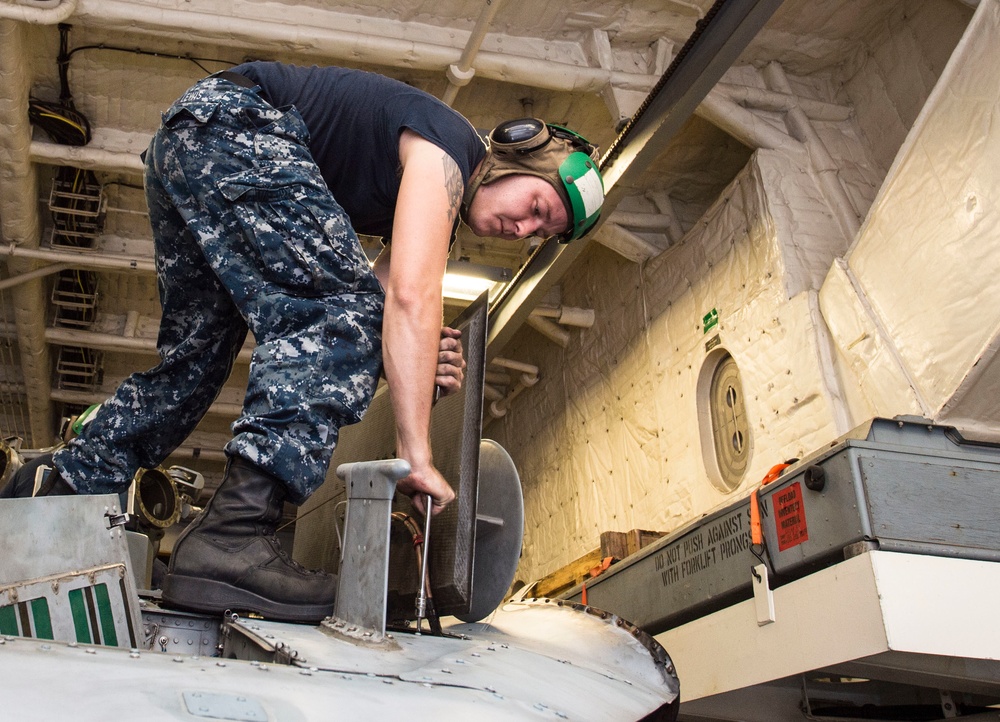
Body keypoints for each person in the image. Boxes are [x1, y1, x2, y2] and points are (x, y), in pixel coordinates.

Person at [36, 62, 606, 622]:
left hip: (194, 138)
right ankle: (234, 534)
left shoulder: (440, 176)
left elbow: (376, 315)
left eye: (540, 233)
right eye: (536, 208)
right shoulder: (449, 151)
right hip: (236, 126)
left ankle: (58, 489)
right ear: (514, 154)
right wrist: (416, 455)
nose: (523, 229)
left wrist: (413, 358)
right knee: (341, 314)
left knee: (197, 362)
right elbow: (405, 300)